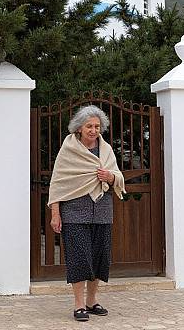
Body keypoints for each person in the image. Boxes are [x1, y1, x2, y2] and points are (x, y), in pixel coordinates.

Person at [48, 105, 126, 322]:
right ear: (79, 128)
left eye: (97, 126)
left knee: (100, 257)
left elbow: (117, 176)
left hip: (102, 210)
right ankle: (79, 304)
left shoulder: (106, 149)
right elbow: (57, 183)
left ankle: (92, 301)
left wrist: (110, 177)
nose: (93, 130)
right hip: (74, 211)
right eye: (89, 126)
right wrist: (56, 213)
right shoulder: (69, 149)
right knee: (79, 258)